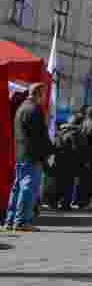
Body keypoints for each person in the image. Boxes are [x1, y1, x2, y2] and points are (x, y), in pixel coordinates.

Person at [5, 84, 54, 231]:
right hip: (32, 155)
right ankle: (21, 222)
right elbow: (40, 135)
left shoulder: (21, 108)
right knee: (28, 188)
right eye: (43, 94)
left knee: (17, 187)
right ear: (39, 94)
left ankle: (10, 220)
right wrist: (50, 150)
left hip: (20, 153)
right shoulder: (35, 109)